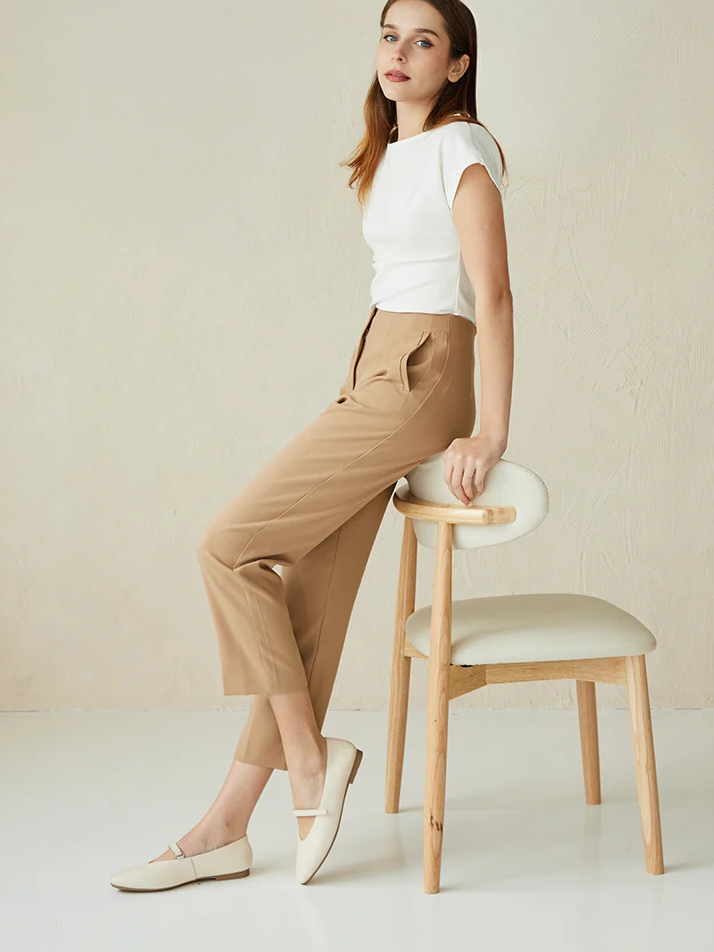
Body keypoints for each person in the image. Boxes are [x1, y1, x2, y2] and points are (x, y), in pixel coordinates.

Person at [110, 0, 513, 892]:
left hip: (421, 372)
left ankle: (309, 760)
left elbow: (493, 295)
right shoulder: (395, 151)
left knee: (228, 546)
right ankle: (225, 828)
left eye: (423, 41)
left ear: (457, 64)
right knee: (306, 608)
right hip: (377, 363)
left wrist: (491, 429)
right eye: (389, 35)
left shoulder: (462, 149)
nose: (399, 53)